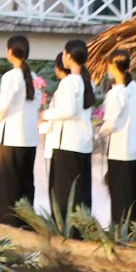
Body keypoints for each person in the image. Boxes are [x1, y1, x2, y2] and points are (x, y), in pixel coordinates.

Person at [41, 39, 96, 224]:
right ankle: (82, 227)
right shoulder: (85, 80)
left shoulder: (70, 81)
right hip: (81, 142)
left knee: (65, 193)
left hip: (68, 144)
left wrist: (46, 114)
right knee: (80, 190)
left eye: (64, 53)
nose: (63, 57)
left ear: (70, 57)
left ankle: (67, 230)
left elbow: (68, 111)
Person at [0, 35, 42, 219]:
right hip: (29, 138)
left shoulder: (10, 76)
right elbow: (36, 104)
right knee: (26, 183)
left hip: (11, 138)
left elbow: (4, 105)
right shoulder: (34, 77)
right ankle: (27, 222)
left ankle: (9, 224)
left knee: (7, 184)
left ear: (10, 52)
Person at [97, 55, 136, 225]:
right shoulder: (135, 88)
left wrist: (98, 131)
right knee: (134, 194)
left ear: (112, 66)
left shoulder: (115, 93)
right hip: (135, 148)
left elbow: (111, 123)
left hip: (119, 150)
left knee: (120, 196)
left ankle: (120, 232)